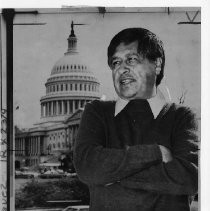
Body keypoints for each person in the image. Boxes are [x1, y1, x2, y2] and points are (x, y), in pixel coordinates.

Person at [73, 28, 199, 211]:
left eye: (131, 60)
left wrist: (110, 175)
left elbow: (189, 179)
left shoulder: (182, 116)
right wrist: (156, 153)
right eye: (116, 62)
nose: (121, 69)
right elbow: (87, 167)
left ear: (156, 64)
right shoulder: (97, 111)